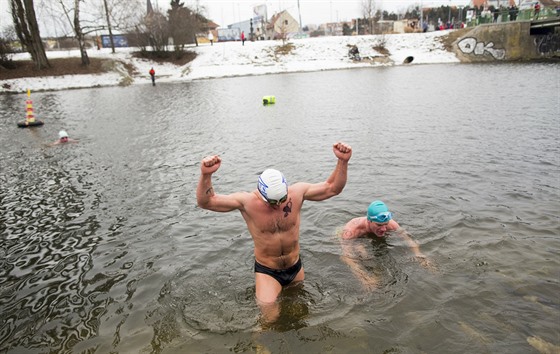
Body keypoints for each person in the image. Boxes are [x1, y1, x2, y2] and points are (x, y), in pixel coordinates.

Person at [196, 142, 352, 321]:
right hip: (268, 271)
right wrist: (206, 175)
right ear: (261, 195)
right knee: (269, 319)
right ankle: (260, 346)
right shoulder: (246, 203)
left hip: (295, 266)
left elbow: (333, 188)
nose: (279, 205)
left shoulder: (297, 192)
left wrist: (342, 161)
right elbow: (206, 202)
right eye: (273, 202)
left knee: (300, 313)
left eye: (283, 199)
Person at [340, 200, 434, 289]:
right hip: (354, 238)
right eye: (379, 225)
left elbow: (409, 239)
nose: (384, 229)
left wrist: (419, 255)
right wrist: (364, 278)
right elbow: (347, 257)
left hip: (369, 233)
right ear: (369, 221)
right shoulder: (351, 230)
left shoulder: (391, 224)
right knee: (362, 252)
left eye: (385, 224)